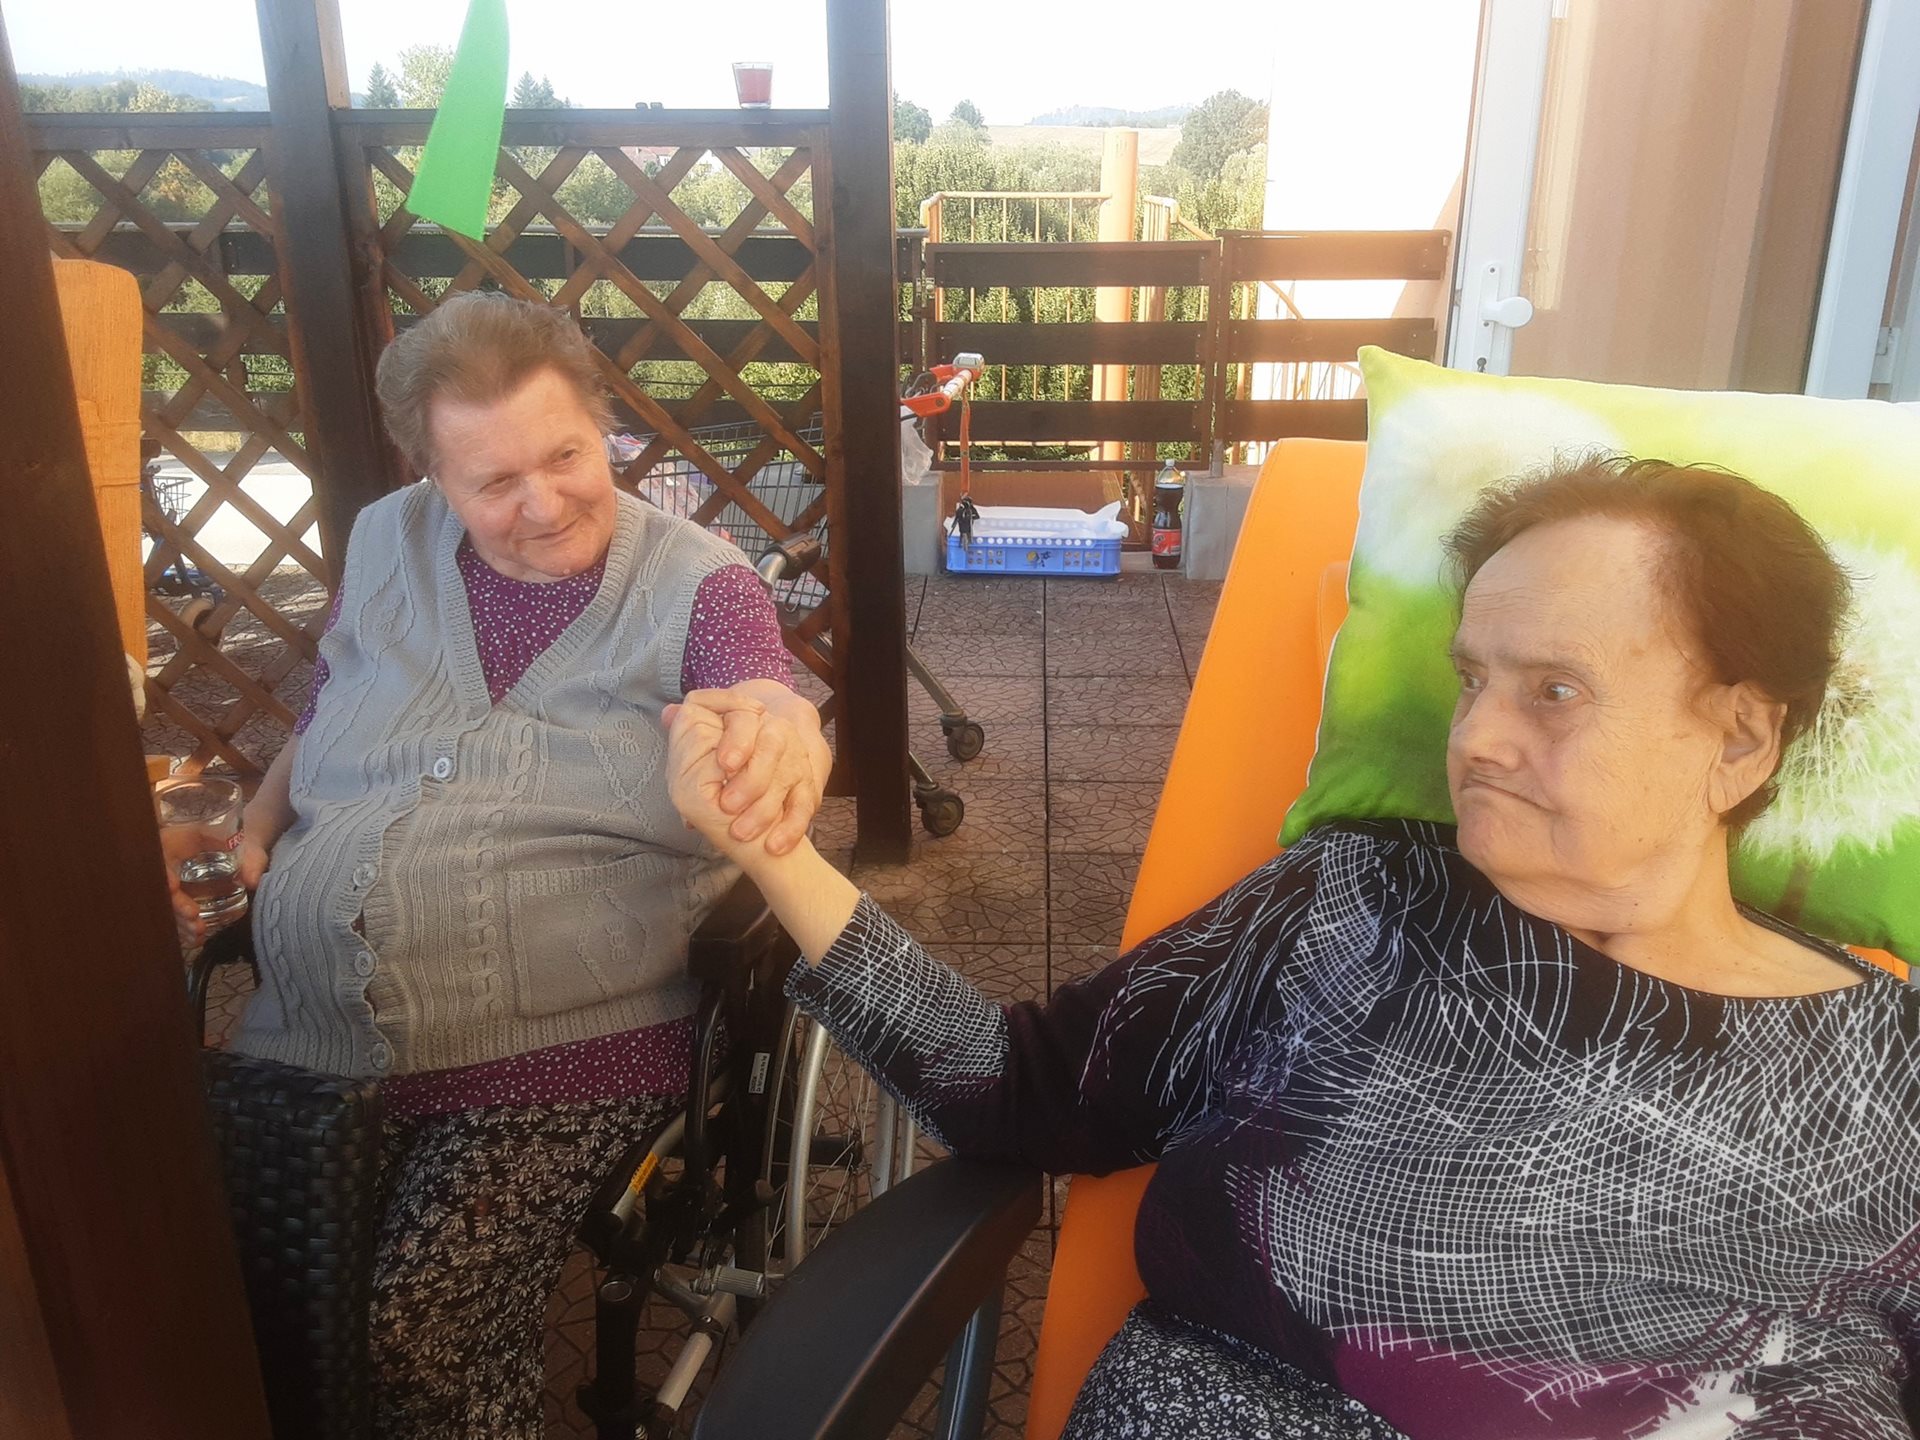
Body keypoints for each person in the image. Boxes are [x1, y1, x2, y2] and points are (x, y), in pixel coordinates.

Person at [666, 455, 1920, 1439]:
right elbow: (1019, 1087)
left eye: (1553, 691)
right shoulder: (1359, 903)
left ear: (1741, 740)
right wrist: (775, 849)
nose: (1475, 738)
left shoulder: (1893, 1075)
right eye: (1471, 679)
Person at [169, 291, 829, 1438]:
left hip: (564, 1045)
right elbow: (329, 709)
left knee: (412, 1329)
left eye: (566, 456)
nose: (544, 504)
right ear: (432, 475)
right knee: (237, 1299)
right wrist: (258, 833)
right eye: (493, 482)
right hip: (315, 1028)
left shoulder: (693, 582)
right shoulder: (387, 540)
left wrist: (782, 733)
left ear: (604, 424)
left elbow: (763, 694)